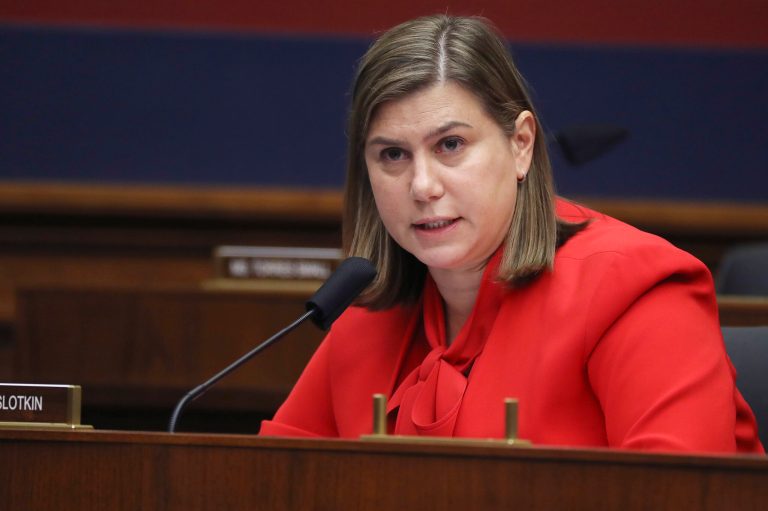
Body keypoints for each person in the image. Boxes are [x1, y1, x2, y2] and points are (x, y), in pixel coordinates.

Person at [260, 15, 763, 453]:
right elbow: (275, 481)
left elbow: (678, 496)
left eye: (451, 144)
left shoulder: (633, 292)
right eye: (392, 154)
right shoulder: (367, 318)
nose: (422, 185)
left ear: (521, 144)